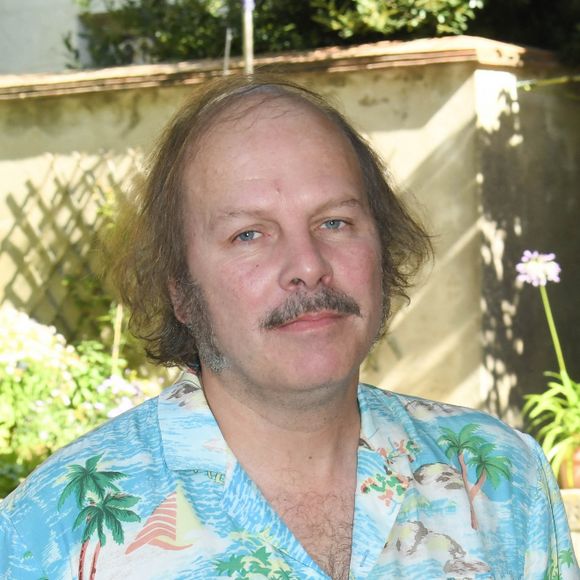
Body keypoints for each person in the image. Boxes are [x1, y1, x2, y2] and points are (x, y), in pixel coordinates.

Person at [0, 75, 577, 580]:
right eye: (249, 234)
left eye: (335, 221)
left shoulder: (503, 480)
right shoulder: (51, 530)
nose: (308, 265)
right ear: (179, 288)